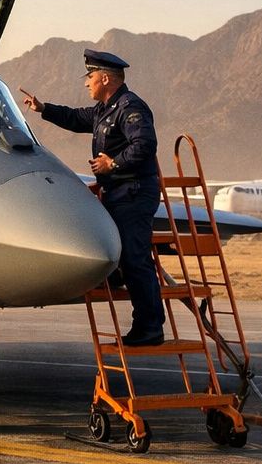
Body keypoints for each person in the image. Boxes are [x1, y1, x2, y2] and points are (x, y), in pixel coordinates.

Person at [20, 50, 164, 345]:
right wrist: (43, 108)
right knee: (116, 252)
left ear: (105, 78)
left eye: (90, 76)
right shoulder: (104, 109)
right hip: (118, 193)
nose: (87, 83)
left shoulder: (129, 107)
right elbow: (75, 117)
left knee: (135, 258)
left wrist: (114, 163)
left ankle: (150, 327)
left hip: (134, 191)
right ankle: (121, 286)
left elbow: (145, 144)